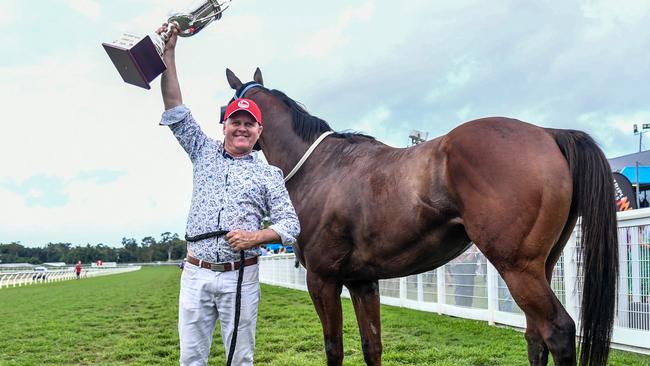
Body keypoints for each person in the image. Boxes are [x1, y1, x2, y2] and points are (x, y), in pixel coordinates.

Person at [156, 23, 300, 366]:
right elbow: (175, 105)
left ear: (258, 131)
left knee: (240, 359)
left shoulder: (268, 174)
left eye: (249, 124)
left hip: (241, 275)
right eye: (235, 121)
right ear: (225, 125)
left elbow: (291, 224)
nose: (241, 128)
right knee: (191, 358)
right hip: (196, 273)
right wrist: (170, 52)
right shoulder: (202, 150)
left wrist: (258, 236)